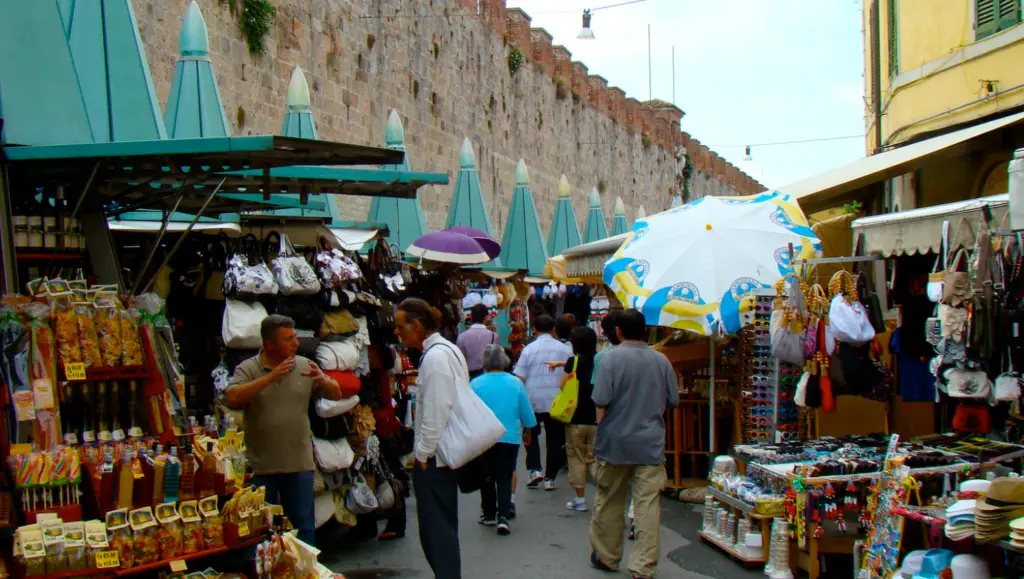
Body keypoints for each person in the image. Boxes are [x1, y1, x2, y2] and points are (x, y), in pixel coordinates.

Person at [225, 315, 343, 547]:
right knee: (261, 531)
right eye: (288, 339)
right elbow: (233, 397)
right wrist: (271, 377)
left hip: (299, 464)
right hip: (262, 467)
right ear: (269, 344)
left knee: (303, 528)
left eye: (295, 338)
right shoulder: (249, 368)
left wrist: (323, 380)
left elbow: (336, 394)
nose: (296, 344)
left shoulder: (304, 365)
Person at [588, 309, 679, 579]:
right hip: (650, 443)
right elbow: (673, 400)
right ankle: (643, 565)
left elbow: (601, 398)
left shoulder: (609, 359)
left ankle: (606, 556)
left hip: (615, 442)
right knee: (647, 505)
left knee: (609, 500)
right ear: (647, 331)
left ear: (617, 332)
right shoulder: (661, 360)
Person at [394, 298, 465, 579]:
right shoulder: (445, 351)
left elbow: (437, 408)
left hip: (435, 458)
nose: (397, 333)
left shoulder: (436, 357)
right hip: (441, 455)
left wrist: (423, 453)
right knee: (440, 528)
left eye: (401, 327)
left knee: (437, 532)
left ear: (418, 326)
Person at [471, 345, 537, 535]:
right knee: (504, 475)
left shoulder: (476, 384)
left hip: (484, 437)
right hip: (509, 436)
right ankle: (504, 516)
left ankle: (489, 513)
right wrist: (528, 429)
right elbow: (526, 410)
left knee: (487, 475)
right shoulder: (515, 383)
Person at [513, 315, 572, 491]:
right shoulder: (564, 350)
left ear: (535, 329)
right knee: (555, 439)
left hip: (533, 400)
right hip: (556, 400)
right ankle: (550, 478)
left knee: (530, 435)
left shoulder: (529, 349)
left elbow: (520, 377)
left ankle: (535, 470)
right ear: (553, 328)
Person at [563, 326, 598, 512]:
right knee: (595, 458)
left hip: (575, 417)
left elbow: (563, 386)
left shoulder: (572, 362)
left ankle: (580, 499)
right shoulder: (601, 361)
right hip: (596, 416)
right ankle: (604, 497)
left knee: (576, 457)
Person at [456, 303, 499, 380]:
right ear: (486, 318)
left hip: (469, 378)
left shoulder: (461, 337)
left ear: (471, 317)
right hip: (488, 378)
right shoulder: (494, 336)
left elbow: (459, 362)